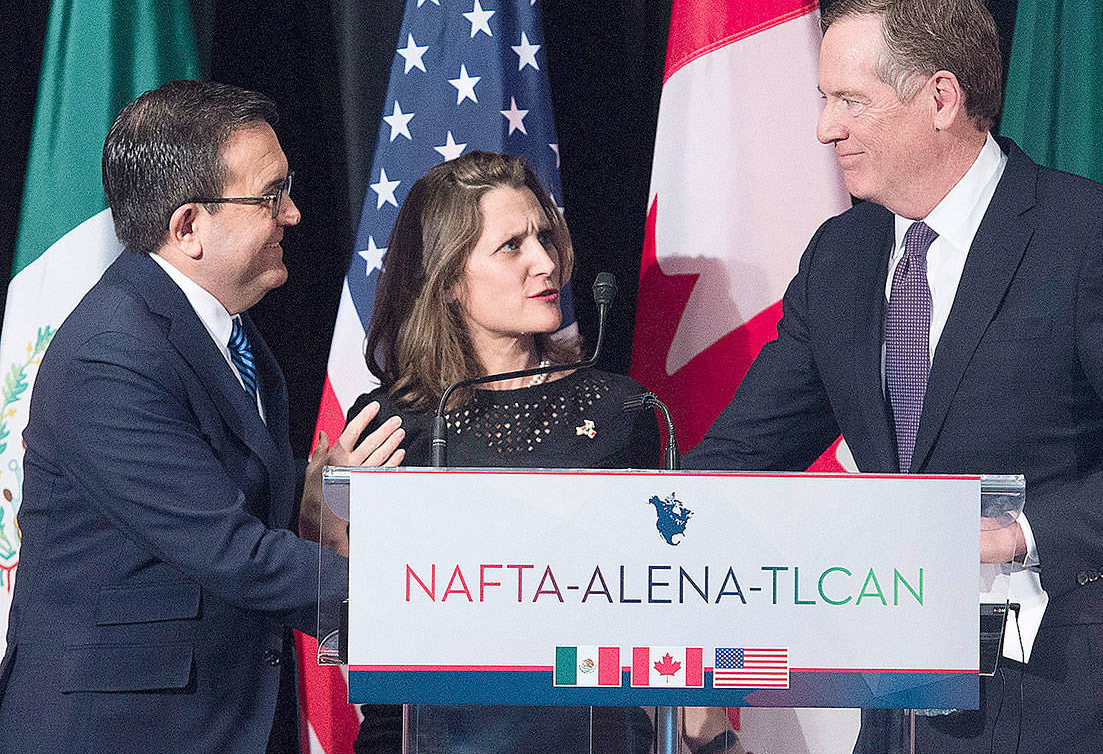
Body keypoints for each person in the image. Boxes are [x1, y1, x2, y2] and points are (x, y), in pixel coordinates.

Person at [681, 0, 1103, 753]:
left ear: (940, 98)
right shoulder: (841, 255)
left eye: (851, 101)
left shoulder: (1087, 241)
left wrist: (1014, 533)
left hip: (1058, 706)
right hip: (900, 707)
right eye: (825, 100)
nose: (825, 128)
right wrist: (624, 532)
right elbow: (744, 452)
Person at [0, 80, 404, 753]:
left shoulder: (225, 334)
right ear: (189, 226)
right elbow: (230, 552)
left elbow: (211, 505)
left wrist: (298, 499)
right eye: (270, 195)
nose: (294, 213)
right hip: (119, 733)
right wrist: (440, 600)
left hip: (210, 717)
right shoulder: (113, 354)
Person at [347, 151, 741, 754]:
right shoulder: (397, 424)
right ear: (450, 280)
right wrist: (336, 518)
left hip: (600, 730)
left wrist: (713, 704)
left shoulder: (623, 411)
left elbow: (681, 583)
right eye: (512, 246)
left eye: (545, 237)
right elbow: (366, 616)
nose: (545, 261)